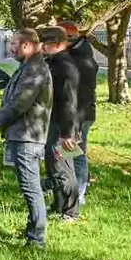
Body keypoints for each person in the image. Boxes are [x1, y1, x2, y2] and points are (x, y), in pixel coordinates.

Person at [0, 29, 54, 248]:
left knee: (31, 188)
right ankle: (32, 230)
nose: (11, 48)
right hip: (22, 135)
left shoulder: (35, 70)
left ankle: (37, 238)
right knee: (29, 187)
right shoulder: (28, 67)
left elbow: (19, 104)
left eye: (14, 44)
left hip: (27, 137)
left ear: (27, 45)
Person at [40, 26, 82, 222]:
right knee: (54, 167)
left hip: (63, 128)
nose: (43, 47)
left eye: (46, 44)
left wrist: (67, 134)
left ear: (57, 44)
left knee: (62, 168)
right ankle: (59, 204)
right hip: (54, 123)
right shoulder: (54, 63)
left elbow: (69, 102)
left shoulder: (65, 66)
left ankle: (70, 212)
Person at [61, 21, 98, 205]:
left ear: (69, 39)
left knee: (76, 155)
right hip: (75, 113)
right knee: (70, 153)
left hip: (80, 115)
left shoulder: (81, 60)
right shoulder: (76, 55)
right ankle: (71, 191)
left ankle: (79, 195)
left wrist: (74, 122)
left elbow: (80, 95)